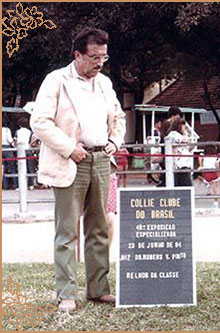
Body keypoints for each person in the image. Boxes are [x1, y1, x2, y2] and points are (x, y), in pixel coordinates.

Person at [30, 28, 126, 311]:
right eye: (94, 57)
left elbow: (118, 116)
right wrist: (69, 148)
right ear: (77, 55)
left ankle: (99, 289)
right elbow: (40, 121)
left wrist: (114, 141)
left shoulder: (105, 83)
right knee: (67, 230)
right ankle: (67, 293)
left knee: (100, 228)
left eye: (104, 57)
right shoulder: (56, 80)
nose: (99, 63)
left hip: (100, 160)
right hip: (71, 160)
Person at [166, 118, 193, 186]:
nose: (184, 127)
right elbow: (183, 139)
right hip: (179, 164)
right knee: (184, 183)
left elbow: (190, 146)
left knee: (187, 183)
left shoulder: (182, 134)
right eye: (182, 125)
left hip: (185, 163)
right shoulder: (173, 134)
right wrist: (185, 135)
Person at [14, 117, 36, 189]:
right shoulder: (30, 132)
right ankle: (31, 185)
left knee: (20, 167)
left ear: (19, 124)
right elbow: (32, 141)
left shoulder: (17, 132)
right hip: (28, 150)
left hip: (20, 151)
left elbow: (15, 141)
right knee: (30, 167)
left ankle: (19, 185)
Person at [2, 119, 18, 190]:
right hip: (7, 148)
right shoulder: (6, 130)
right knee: (12, 166)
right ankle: (15, 184)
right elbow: (10, 140)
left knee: (3, 168)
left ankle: (5, 185)